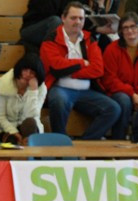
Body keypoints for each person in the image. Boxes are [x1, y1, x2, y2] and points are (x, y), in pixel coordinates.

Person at [40, 1, 121, 139]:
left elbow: (97, 69)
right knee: (58, 100)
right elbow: (55, 67)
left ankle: (85, 143)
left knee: (114, 108)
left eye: (81, 18)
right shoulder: (51, 39)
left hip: (86, 92)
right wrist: (83, 63)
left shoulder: (90, 39)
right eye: (73, 18)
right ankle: (60, 142)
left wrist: (71, 72)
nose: (77, 22)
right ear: (63, 18)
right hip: (60, 89)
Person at [100, 12, 138, 140]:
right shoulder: (112, 49)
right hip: (118, 93)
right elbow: (109, 79)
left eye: (133, 26)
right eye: (125, 28)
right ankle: (118, 141)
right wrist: (132, 95)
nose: (130, 31)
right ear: (121, 31)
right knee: (124, 100)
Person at [0, 53, 46, 144]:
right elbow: (0, 117)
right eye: (25, 70)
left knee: (30, 123)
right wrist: (14, 132)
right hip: (4, 126)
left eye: (32, 72)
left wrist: (33, 91)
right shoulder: (4, 83)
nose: (28, 74)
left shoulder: (40, 88)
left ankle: (29, 149)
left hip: (27, 126)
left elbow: (32, 115)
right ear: (19, 69)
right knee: (12, 140)